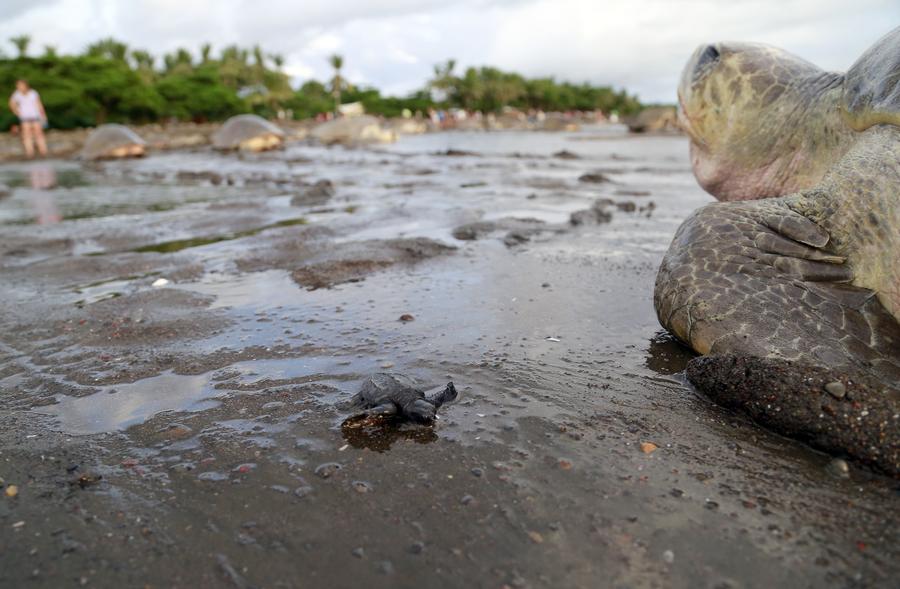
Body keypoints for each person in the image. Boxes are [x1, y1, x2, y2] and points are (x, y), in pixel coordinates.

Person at [8, 79, 48, 158]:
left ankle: (43, 151)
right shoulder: (16, 94)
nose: (19, 87)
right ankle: (30, 153)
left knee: (39, 133)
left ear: (26, 85)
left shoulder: (33, 93)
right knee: (27, 135)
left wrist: (43, 115)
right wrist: (16, 112)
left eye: (20, 85)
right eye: (18, 86)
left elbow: (39, 104)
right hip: (25, 117)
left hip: (35, 116)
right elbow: (11, 104)